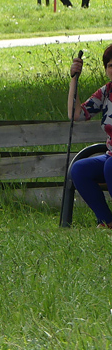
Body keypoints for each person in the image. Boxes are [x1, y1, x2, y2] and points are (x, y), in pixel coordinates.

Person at [67, 45, 112, 227]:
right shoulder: (106, 92)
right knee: (79, 169)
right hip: (111, 156)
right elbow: (76, 114)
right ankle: (107, 221)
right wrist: (74, 80)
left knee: (110, 166)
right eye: (110, 65)